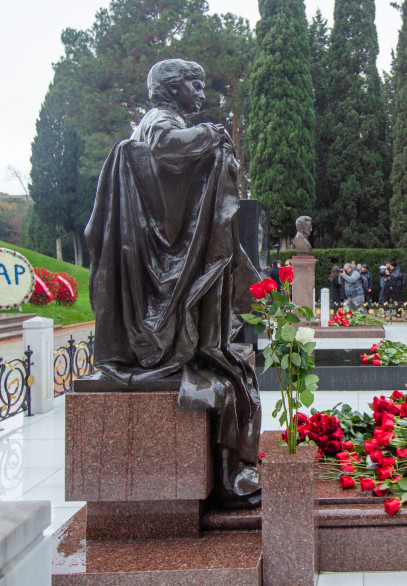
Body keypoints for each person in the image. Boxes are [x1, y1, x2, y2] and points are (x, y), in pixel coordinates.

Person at [85, 59, 261, 507]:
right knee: (225, 367)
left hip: (163, 260)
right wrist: (214, 134)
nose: (201, 95)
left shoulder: (165, 120)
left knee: (230, 362)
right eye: (193, 85)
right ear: (169, 88)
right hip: (162, 265)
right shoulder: (159, 122)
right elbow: (166, 149)